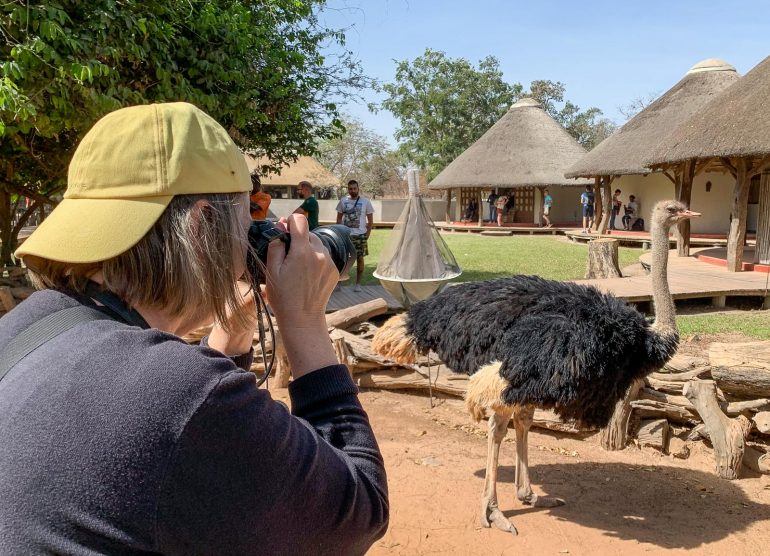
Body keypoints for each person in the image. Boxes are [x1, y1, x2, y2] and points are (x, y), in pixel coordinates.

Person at [0, 103, 388, 554]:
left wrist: (230, 334)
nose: (251, 243)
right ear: (204, 225)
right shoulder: (176, 392)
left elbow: (150, 451)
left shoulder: (27, 327)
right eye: (247, 226)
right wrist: (302, 319)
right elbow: (357, 515)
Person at [336, 179, 374, 292]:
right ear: (348, 189)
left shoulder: (365, 202)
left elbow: (370, 221)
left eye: (355, 188)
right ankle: (339, 282)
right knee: (342, 259)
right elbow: (338, 219)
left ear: (358, 189)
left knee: (360, 259)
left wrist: (367, 235)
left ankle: (358, 284)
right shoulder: (343, 201)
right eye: (350, 189)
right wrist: (339, 233)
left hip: (360, 235)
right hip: (345, 235)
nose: (353, 190)